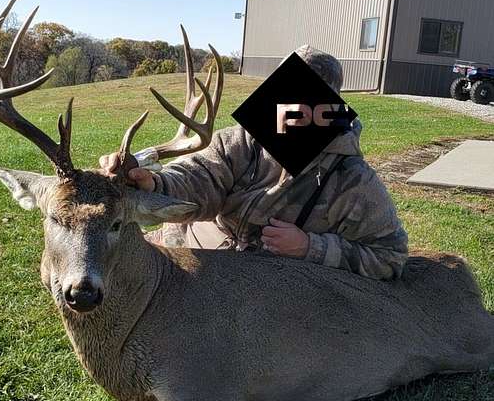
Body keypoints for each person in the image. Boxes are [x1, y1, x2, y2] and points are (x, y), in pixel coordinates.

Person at [101, 46, 408, 280]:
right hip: (201, 253)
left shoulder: (352, 180)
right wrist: (156, 183)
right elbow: (201, 176)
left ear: (328, 108)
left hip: (268, 289)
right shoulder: (241, 141)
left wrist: (309, 247)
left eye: (306, 100)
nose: (291, 110)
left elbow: (389, 256)